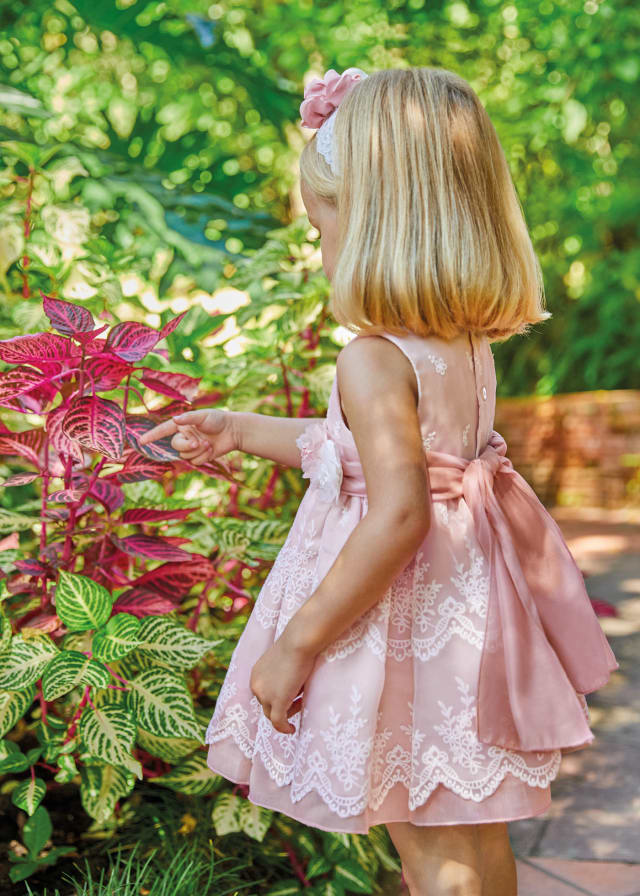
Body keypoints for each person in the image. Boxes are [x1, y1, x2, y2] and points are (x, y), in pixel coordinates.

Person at [139, 67, 618, 896]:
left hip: (394, 630)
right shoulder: (461, 346)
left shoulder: (372, 356)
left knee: (431, 857)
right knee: (467, 833)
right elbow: (377, 458)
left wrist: (298, 644)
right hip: (461, 616)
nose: (318, 245)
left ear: (373, 227)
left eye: (321, 223)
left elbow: (396, 514)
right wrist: (244, 431)